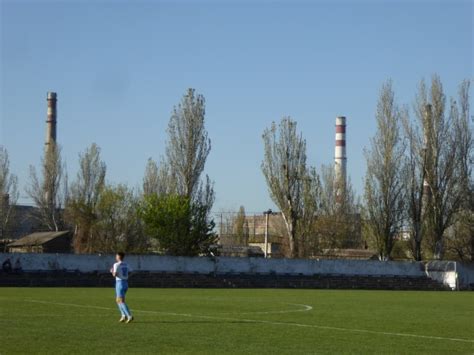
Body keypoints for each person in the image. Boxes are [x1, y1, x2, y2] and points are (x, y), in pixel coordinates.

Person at [110, 252, 133, 323]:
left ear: (118, 256)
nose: (115, 257)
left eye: (116, 256)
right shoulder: (126, 264)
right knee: (118, 300)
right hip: (125, 283)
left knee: (121, 301)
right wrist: (126, 277)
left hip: (119, 283)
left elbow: (114, 275)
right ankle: (123, 315)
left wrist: (111, 271)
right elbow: (131, 271)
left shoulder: (116, 264)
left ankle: (129, 315)